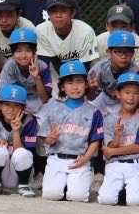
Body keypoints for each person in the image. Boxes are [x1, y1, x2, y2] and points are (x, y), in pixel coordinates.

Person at [39, 60, 104, 203]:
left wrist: (86, 159)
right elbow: (46, 139)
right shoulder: (54, 109)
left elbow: (95, 140)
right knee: (51, 195)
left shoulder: (94, 111)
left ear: (86, 84)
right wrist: (51, 139)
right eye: (70, 82)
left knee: (78, 197)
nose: (75, 87)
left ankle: (70, 185)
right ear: (62, 87)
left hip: (79, 159)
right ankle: (62, 185)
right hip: (57, 159)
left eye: (79, 82)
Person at [96, 72, 139, 206]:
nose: (131, 97)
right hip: (115, 165)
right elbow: (110, 146)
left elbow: (138, 147)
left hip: (136, 164)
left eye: (136, 93)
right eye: (126, 92)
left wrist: (112, 152)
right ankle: (122, 190)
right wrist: (118, 135)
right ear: (118, 94)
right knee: (106, 199)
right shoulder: (109, 118)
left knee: (136, 201)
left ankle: (128, 190)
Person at [0, 27, 52, 116]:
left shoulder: (42, 66)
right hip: (16, 100)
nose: (23, 55)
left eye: (28, 50)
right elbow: (3, 93)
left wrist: (37, 78)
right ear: (12, 53)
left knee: (45, 121)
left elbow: (45, 100)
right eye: (18, 51)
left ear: (35, 52)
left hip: (38, 100)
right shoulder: (10, 65)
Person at [36, 0, 98, 69]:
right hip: (57, 73)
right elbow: (52, 60)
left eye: (63, 11)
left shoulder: (85, 31)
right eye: (53, 11)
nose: (58, 15)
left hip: (82, 73)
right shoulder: (42, 30)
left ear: (72, 13)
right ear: (48, 14)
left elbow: (87, 63)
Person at [86, 30, 139, 111]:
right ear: (109, 52)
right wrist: (91, 90)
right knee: (90, 110)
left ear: (133, 53)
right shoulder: (99, 68)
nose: (124, 56)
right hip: (103, 97)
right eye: (119, 51)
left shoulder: (135, 71)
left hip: (123, 101)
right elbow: (90, 98)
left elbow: (137, 100)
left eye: (128, 52)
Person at [94, 4, 139, 71]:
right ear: (107, 25)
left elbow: (138, 74)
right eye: (114, 26)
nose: (118, 30)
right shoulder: (99, 41)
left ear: (132, 27)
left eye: (123, 26)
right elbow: (96, 71)